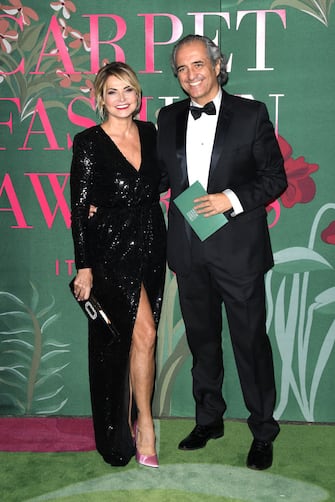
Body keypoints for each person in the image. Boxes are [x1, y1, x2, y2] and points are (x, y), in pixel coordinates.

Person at [157, 34, 288, 470]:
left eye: (198, 65)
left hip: (239, 251)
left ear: (217, 66)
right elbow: (161, 177)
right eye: (182, 68)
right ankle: (208, 419)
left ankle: (263, 430)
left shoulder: (251, 115)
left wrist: (228, 199)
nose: (191, 74)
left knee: (250, 342)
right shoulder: (168, 117)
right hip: (190, 250)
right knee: (202, 342)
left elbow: (274, 178)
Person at [70, 61, 166, 468]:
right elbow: (77, 208)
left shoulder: (150, 132)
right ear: (100, 99)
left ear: (138, 95)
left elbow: (160, 180)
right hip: (109, 247)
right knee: (139, 334)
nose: (122, 98)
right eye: (113, 91)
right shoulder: (89, 142)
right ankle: (143, 423)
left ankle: (135, 418)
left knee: (145, 336)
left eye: (128, 90)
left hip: (150, 240)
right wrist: (84, 266)